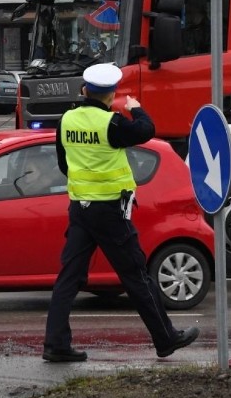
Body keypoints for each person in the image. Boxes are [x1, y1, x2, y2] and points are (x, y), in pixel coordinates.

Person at [42, 63, 199, 362]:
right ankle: (165, 338)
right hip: (110, 211)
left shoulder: (67, 120)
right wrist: (136, 108)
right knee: (136, 275)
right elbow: (146, 130)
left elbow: (64, 165)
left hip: (80, 209)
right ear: (111, 95)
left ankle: (55, 344)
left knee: (68, 278)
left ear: (85, 90)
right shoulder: (111, 123)